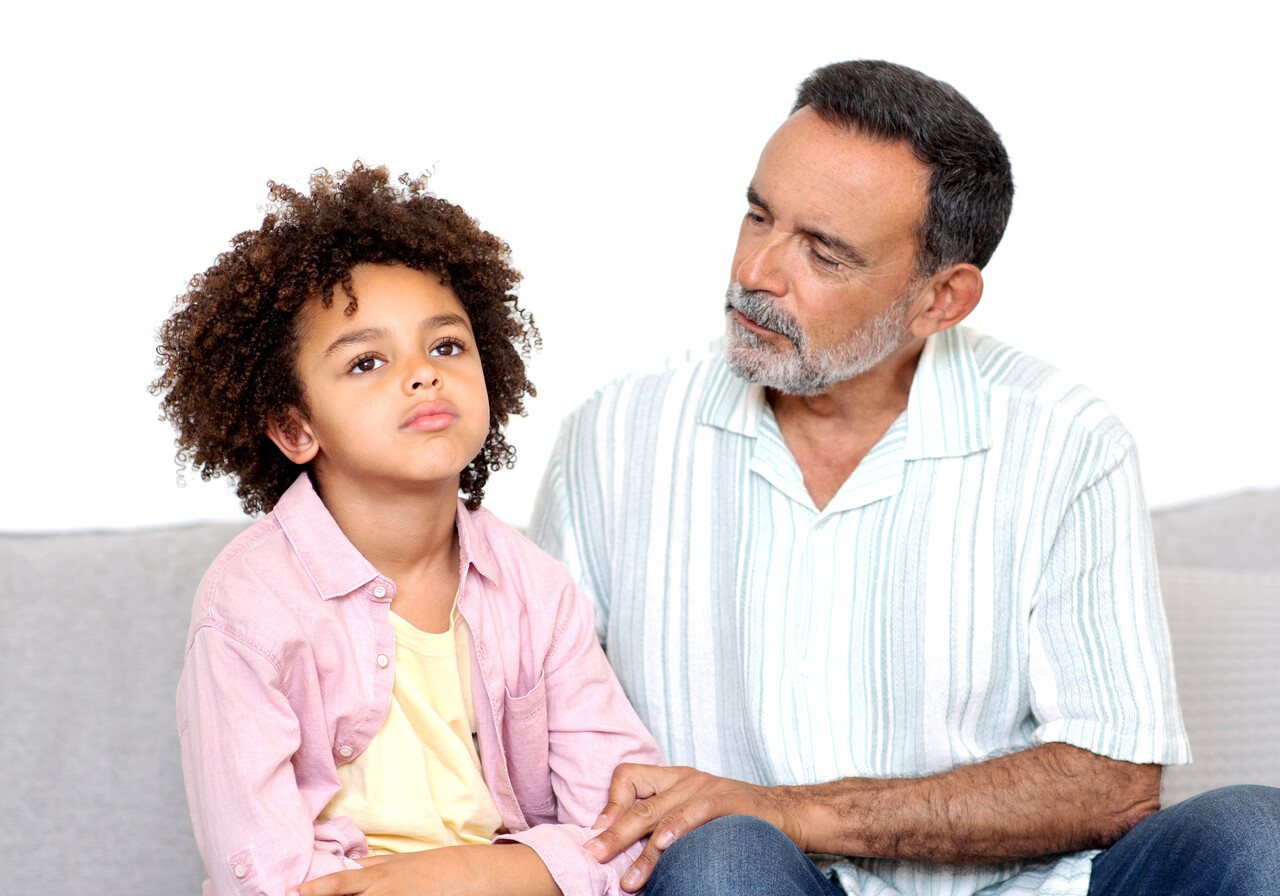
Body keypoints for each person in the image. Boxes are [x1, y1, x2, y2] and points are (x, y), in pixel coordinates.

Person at [528, 61, 1280, 895]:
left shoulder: (1067, 443)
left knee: (1259, 833)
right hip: (746, 883)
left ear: (941, 299)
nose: (756, 271)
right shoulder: (614, 435)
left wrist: (794, 809)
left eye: (824, 252)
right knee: (726, 858)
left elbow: (1112, 782)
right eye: (758, 215)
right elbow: (528, 723)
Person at [152, 163, 661, 896]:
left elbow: (626, 831)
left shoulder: (537, 591)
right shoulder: (248, 607)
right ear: (295, 428)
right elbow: (263, 875)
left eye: (446, 346)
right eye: (367, 361)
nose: (423, 374)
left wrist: (464, 874)